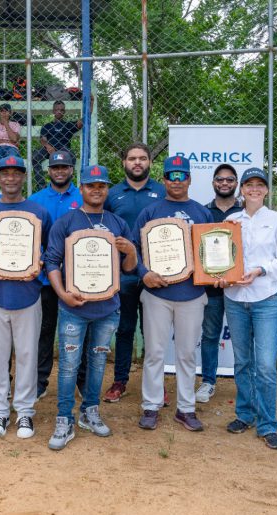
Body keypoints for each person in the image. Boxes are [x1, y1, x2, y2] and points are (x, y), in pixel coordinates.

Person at [44, 165, 137, 451]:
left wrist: (131, 250)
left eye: (102, 186)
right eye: (90, 185)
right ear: (81, 188)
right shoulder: (67, 221)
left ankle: (89, 411)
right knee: (70, 365)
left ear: (107, 189)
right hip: (74, 307)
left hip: (107, 307)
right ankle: (64, 418)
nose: (96, 190)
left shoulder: (117, 223)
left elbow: (130, 268)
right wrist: (62, 294)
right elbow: (51, 262)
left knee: (97, 363)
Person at [213, 167, 277, 450]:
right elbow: (221, 258)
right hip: (235, 298)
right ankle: (245, 415)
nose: (255, 189)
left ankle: (268, 424)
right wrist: (219, 276)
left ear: (267, 190)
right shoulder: (231, 220)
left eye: (260, 185)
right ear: (242, 189)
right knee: (243, 361)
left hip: (267, 298)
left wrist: (261, 270)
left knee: (266, 365)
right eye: (249, 185)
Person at [0, 156, 51, 439]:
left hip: (28, 295)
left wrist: (39, 267)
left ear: (24, 177)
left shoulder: (38, 211)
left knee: (28, 355)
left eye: (16, 173)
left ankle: (25, 412)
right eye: (5, 173)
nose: (11, 179)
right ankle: (1, 412)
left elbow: (50, 251)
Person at [133, 155, 213, 431]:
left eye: (181, 176)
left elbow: (209, 253)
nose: (176, 181)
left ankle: (186, 408)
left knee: (187, 354)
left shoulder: (202, 213)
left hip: (191, 294)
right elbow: (134, 250)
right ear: (164, 179)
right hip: (157, 294)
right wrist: (144, 273)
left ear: (189, 179)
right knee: (154, 353)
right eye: (171, 176)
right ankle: (151, 406)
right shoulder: (151, 211)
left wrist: (212, 273)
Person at [102, 143, 165, 403]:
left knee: (155, 333)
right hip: (124, 273)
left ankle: (156, 386)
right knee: (125, 329)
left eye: (142, 158)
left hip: (156, 272)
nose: (137, 163)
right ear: (124, 163)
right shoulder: (113, 194)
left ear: (150, 162)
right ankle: (120, 381)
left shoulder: (162, 192)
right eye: (131, 159)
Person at [28, 150, 83, 400]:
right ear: (48, 170)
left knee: (81, 331)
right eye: (55, 168)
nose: (60, 171)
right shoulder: (36, 200)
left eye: (65, 167)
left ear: (72, 169)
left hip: (77, 279)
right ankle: (40, 381)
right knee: (45, 331)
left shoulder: (83, 197)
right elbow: (29, 239)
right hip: (45, 279)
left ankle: (81, 381)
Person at [195, 164, 242, 404]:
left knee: (243, 337)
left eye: (230, 179)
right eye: (220, 179)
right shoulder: (203, 213)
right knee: (211, 334)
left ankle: (246, 383)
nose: (224, 183)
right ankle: (208, 381)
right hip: (210, 288)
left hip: (240, 289)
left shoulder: (245, 213)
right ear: (213, 182)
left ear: (236, 183)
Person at [32, 100, 88, 189]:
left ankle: (67, 184)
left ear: (64, 112)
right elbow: (43, 140)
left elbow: (82, 121)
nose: (59, 112)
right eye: (57, 110)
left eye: (62, 110)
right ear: (53, 111)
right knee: (35, 157)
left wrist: (90, 105)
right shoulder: (47, 126)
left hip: (64, 149)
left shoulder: (68, 125)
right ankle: (41, 187)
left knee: (72, 156)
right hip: (49, 148)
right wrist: (48, 147)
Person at [0, 103, 21, 168]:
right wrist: (6, 141)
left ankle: (9, 176)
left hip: (12, 147)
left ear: (10, 113)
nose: (4, 113)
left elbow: (14, 139)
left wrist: (6, 124)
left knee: (12, 157)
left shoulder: (15, 124)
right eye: (2, 111)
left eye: (6, 111)